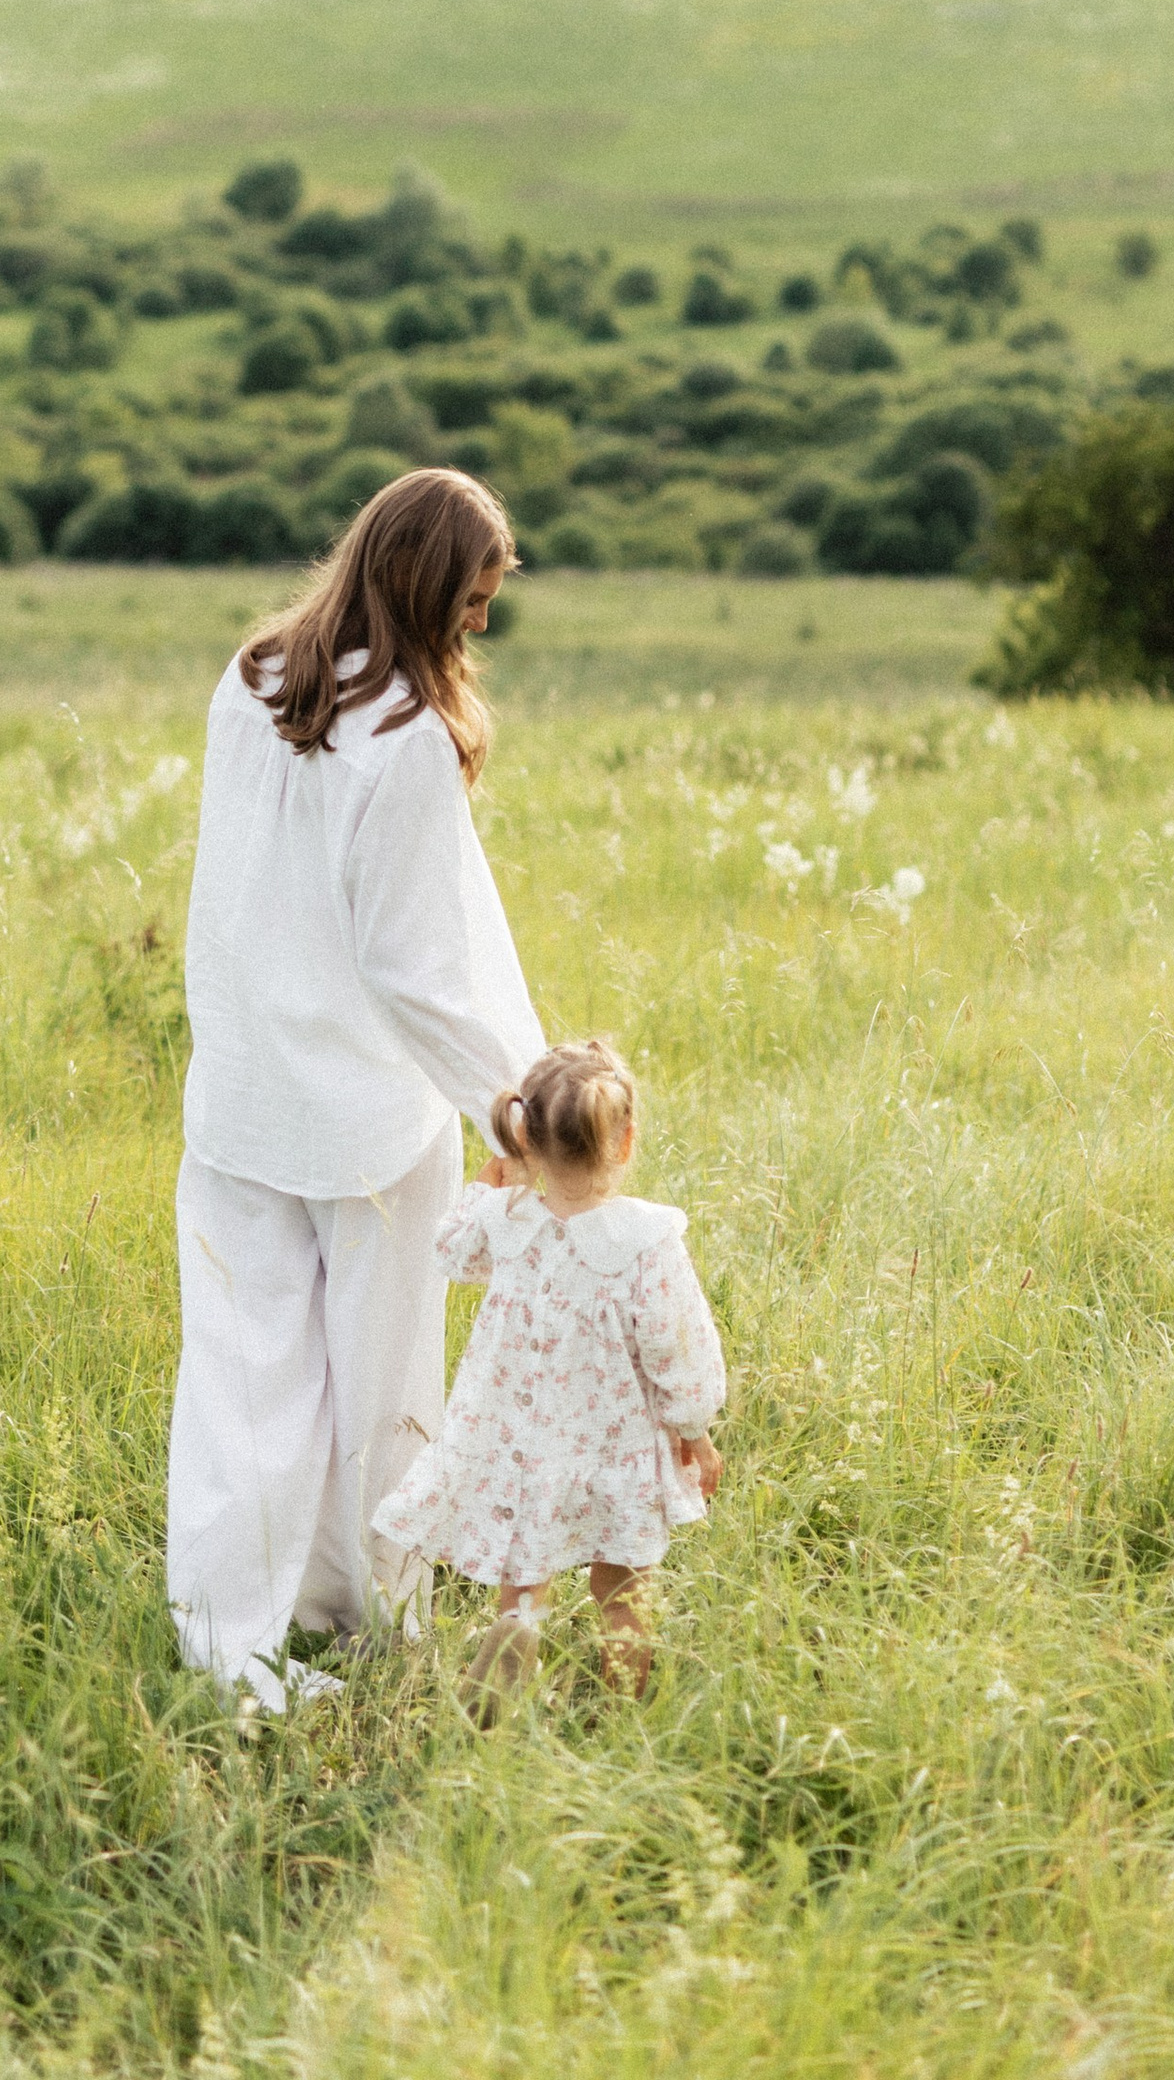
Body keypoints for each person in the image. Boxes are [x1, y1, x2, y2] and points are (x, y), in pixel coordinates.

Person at [166, 466, 541, 1712]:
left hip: (245, 1089)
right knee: (382, 1385)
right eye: (475, 599)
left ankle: (233, 1644)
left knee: (242, 1381)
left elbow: (232, 890)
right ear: (430, 583)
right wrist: (515, 1105)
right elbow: (416, 966)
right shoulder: (412, 740)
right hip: (369, 1115)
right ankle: (371, 1619)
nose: (480, 623)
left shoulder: (254, 675)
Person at [372, 1034, 726, 1710]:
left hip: (524, 1445)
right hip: (613, 1451)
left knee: (525, 1569)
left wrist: (491, 1181)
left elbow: (451, 1247)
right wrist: (693, 1431)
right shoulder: (645, 1242)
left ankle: (520, 1623)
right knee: (624, 1589)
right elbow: (679, 1348)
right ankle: (622, 1709)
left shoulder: (509, 1222)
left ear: (525, 1139)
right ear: (623, 1145)